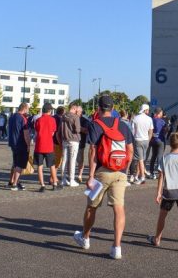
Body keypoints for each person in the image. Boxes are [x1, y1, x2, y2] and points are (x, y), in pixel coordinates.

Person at [73, 94, 134, 260]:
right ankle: (117, 247)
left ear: (98, 109)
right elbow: (130, 150)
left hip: (101, 172)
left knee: (91, 206)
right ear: (113, 109)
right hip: (120, 172)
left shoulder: (95, 125)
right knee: (119, 209)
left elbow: (93, 152)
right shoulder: (123, 125)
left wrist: (91, 175)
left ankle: (85, 238)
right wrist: (125, 170)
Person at [147, 131, 178, 252]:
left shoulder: (164, 159)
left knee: (162, 215)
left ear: (170, 144)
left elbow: (161, 177)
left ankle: (157, 238)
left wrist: (158, 193)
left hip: (169, 191)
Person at [34, 103, 58, 191]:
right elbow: (52, 133)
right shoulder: (52, 120)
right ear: (50, 110)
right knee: (52, 165)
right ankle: (54, 183)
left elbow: (36, 131)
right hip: (49, 146)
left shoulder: (38, 120)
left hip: (39, 146)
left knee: (40, 166)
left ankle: (42, 185)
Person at [8, 103, 31, 190]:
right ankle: (15, 184)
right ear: (24, 108)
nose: (28, 110)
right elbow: (26, 133)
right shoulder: (23, 118)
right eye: (28, 108)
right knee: (20, 164)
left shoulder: (12, 117)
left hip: (13, 143)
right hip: (21, 143)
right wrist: (28, 145)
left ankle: (11, 181)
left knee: (15, 163)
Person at [60, 102, 82, 187]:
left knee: (64, 160)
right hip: (74, 140)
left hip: (65, 139)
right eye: (76, 109)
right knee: (72, 160)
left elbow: (60, 128)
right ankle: (72, 180)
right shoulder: (75, 117)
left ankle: (63, 179)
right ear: (74, 108)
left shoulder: (64, 116)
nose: (77, 110)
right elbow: (77, 130)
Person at [130, 104, 153, 185]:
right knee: (142, 159)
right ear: (145, 110)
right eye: (148, 110)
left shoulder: (135, 118)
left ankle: (142, 177)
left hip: (138, 140)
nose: (148, 111)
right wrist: (148, 139)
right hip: (146, 140)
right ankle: (137, 175)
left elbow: (133, 131)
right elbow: (151, 131)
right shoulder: (149, 119)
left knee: (140, 159)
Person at [148, 107, 166, 179]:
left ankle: (151, 172)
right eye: (161, 112)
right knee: (160, 157)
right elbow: (165, 129)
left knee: (153, 156)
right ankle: (160, 174)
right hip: (160, 140)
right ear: (159, 113)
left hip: (153, 140)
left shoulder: (151, 120)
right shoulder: (162, 121)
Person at [76, 107, 90, 183]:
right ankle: (68, 176)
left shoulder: (85, 121)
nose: (75, 112)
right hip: (71, 142)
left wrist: (78, 128)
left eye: (77, 111)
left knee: (80, 160)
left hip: (80, 142)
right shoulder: (71, 119)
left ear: (80, 112)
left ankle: (79, 175)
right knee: (69, 160)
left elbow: (87, 131)